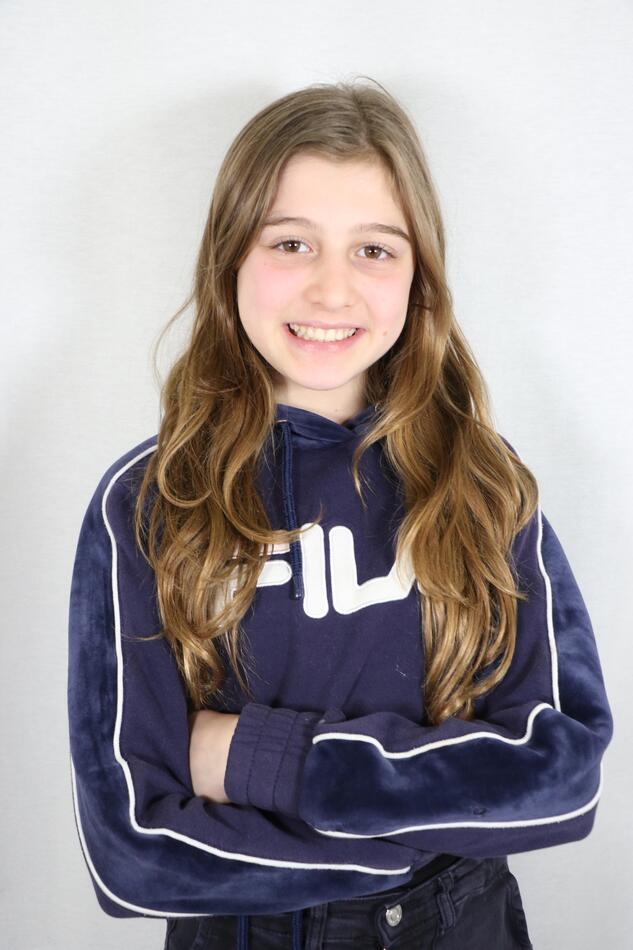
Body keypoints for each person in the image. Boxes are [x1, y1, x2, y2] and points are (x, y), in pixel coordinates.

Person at [67, 78, 614, 950]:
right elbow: (134, 850)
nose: (332, 291)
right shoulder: (149, 501)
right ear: (229, 259)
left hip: (463, 925)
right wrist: (418, 839)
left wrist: (252, 758)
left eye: (373, 250)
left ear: (418, 274)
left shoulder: (481, 482)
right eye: (291, 243)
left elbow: (562, 776)